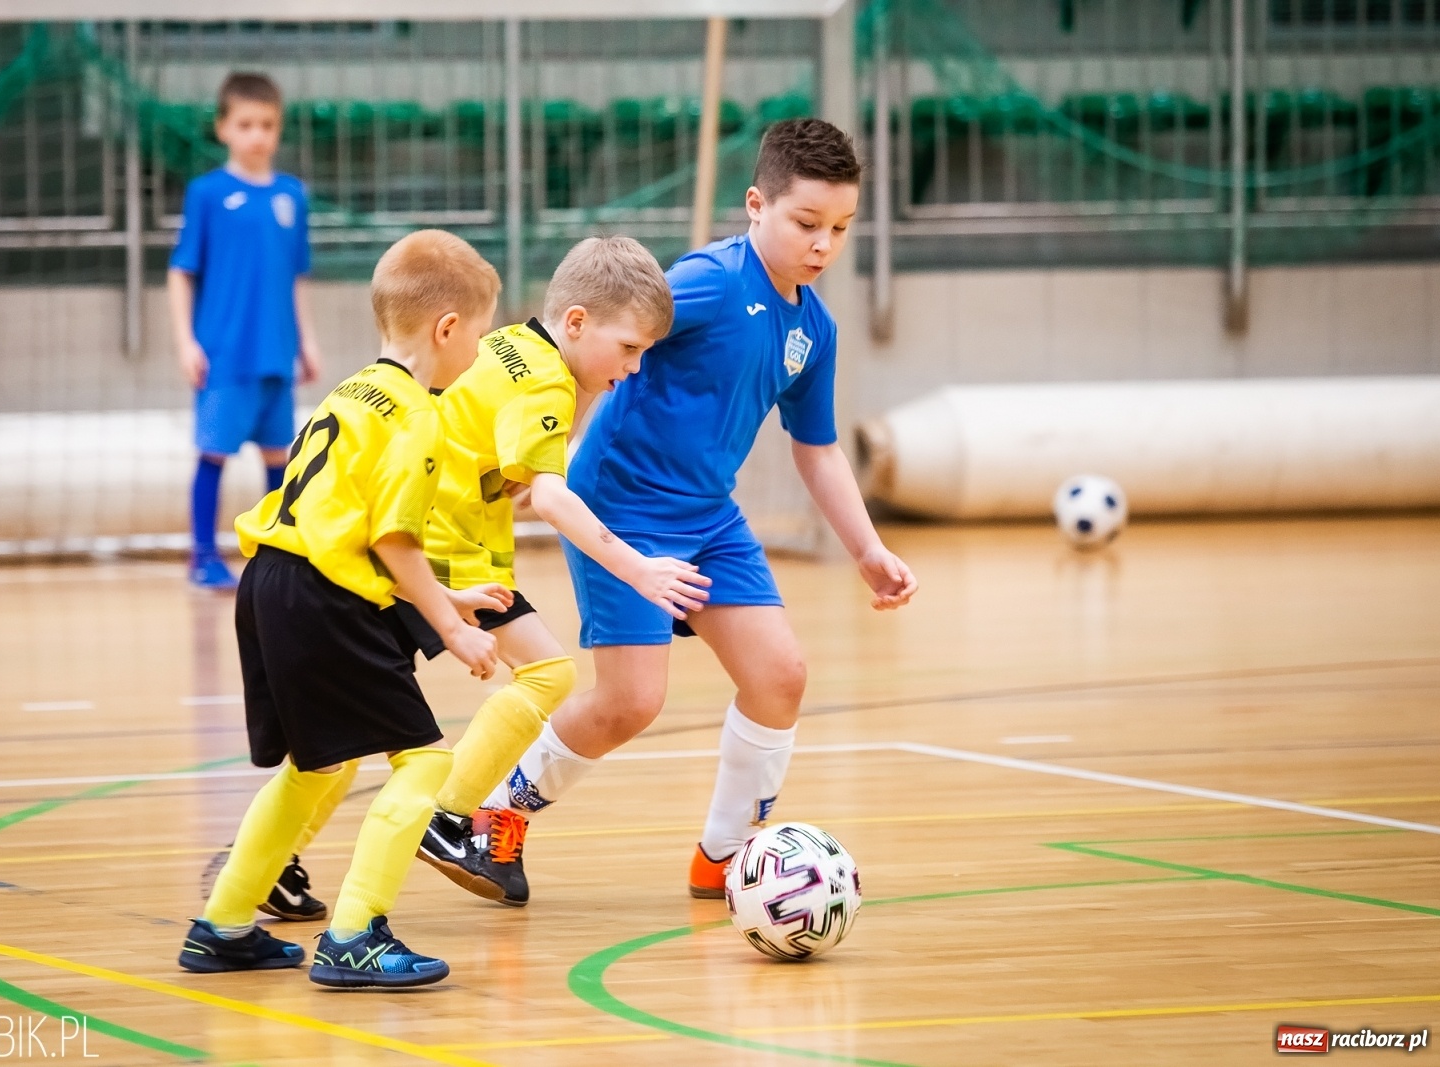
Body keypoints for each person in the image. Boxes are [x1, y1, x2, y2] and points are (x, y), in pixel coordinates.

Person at [457, 118, 920, 904]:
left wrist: (867, 548)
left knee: (781, 676)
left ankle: (725, 857)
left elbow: (817, 448)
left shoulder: (815, 328)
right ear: (755, 204)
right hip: (621, 506)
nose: (822, 245)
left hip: (709, 516)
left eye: (838, 229)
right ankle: (496, 816)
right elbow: (606, 337)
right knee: (632, 700)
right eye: (806, 223)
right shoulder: (708, 281)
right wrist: (549, 438)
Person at [177, 230, 508, 989]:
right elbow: (393, 536)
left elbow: (344, 523)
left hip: (272, 581)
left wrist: (444, 593)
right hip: (322, 598)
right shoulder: (419, 415)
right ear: (447, 329)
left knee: (317, 767)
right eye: (481, 337)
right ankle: (356, 933)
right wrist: (454, 627)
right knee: (424, 759)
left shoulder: (353, 392)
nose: (481, 355)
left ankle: (223, 925)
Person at [405, 235, 711, 905]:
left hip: (432, 527)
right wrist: (640, 571)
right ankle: (450, 816)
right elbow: (549, 496)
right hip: (439, 539)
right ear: (575, 322)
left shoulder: (517, 343)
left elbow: (483, 435)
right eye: (628, 349)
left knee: (350, 716)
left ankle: (276, 857)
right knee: (548, 673)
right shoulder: (548, 381)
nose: (633, 367)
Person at [168, 72, 321, 590]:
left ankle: (276, 556)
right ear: (223, 128)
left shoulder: (291, 195)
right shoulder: (207, 194)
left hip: (276, 351)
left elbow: (296, 276)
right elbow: (181, 271)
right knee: (214, 452)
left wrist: (307, 341)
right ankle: (202, 556)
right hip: (223, 354)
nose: (258, 135)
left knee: (281, 455)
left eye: (268, 125)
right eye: (246, 124)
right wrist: (186, 341)